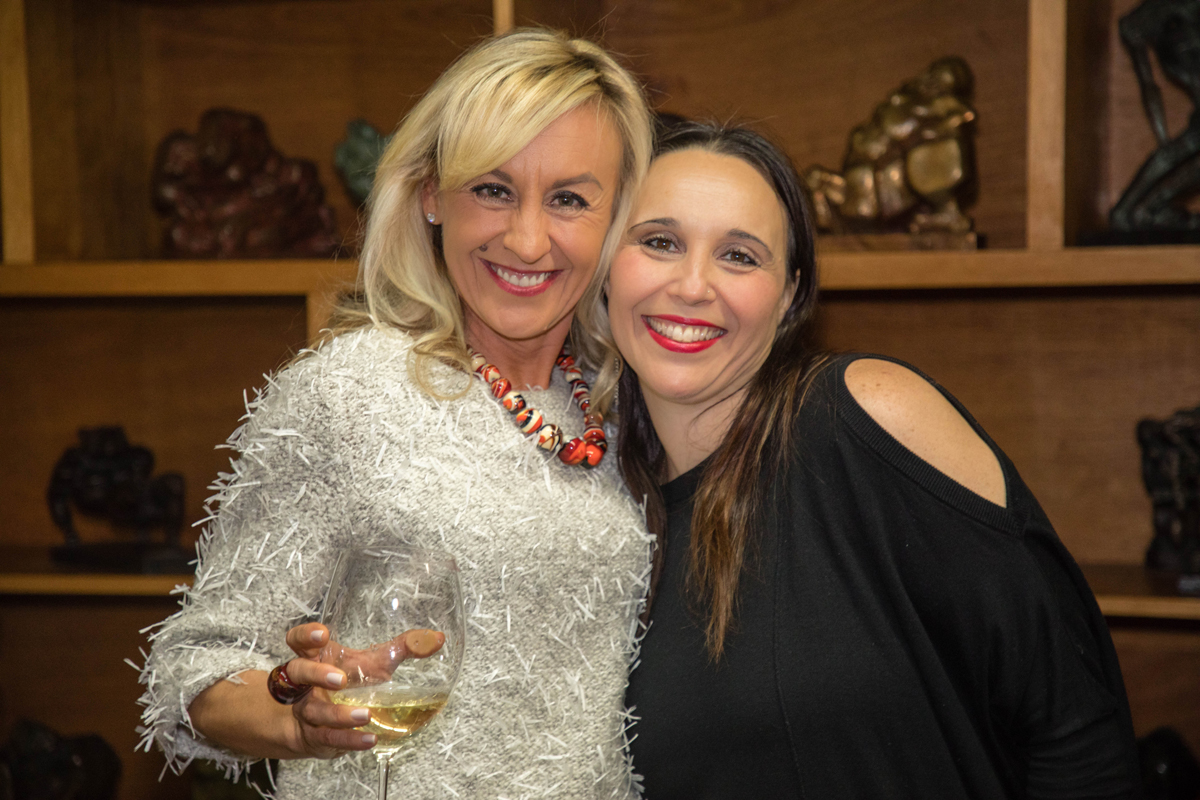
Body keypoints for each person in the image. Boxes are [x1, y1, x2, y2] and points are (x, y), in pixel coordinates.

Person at [137, 29, 655, 799]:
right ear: (430, 195)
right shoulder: (347, 394)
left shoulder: (633, 406)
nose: (526, 239)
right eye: (493, 189)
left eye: (570, 199)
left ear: (619, 219)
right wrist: (293, 716)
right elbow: (191, 669)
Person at [604, 121, 1143, 798]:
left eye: (739, 256)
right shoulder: (601, 506)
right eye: (660, 241)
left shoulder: (862, 418)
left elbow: (1077, 728)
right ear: (606, 267)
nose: (692, 285)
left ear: (790, 295)